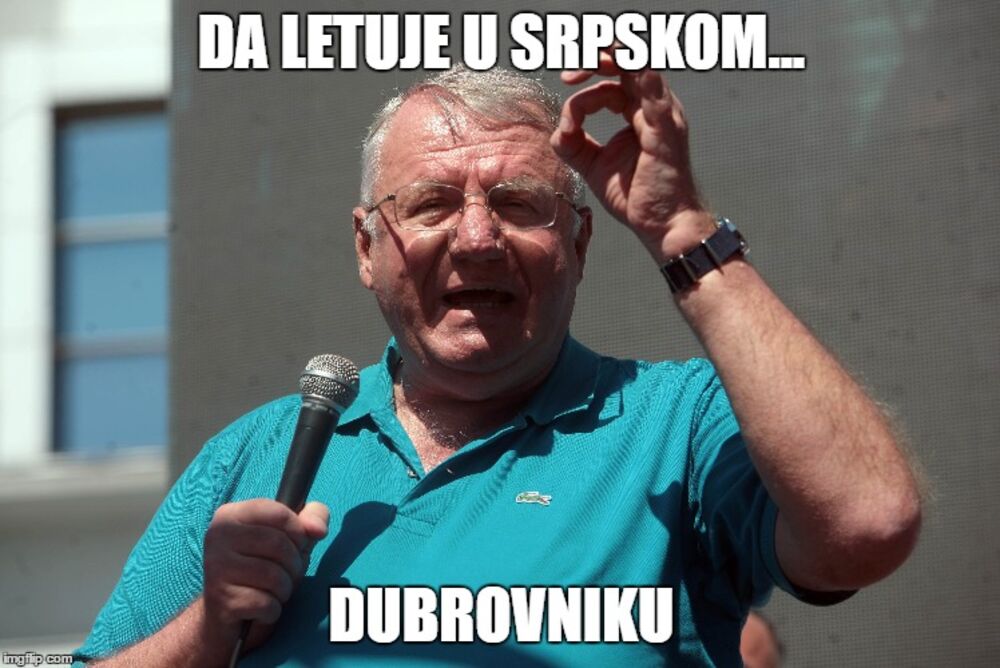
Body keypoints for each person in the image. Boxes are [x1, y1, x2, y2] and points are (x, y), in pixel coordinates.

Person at [74, 61, 922, 667]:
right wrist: (209, 626)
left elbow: (869, 523)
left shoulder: (679, 424)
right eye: (431, 204)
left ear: (579, 243)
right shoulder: (256, 454)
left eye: (519, 205)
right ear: (367, 248)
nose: (478, 239)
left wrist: (682, 232)